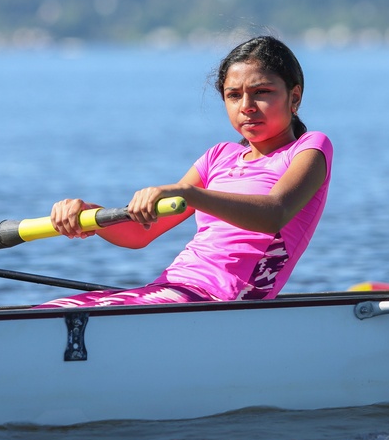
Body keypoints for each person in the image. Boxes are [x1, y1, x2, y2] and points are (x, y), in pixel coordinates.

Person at [35, 35, 333, 307]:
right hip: (175, 289)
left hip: (227, 298)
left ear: (294, 97)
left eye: (262, 92)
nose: (247, 106)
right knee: (52, 309)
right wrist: (90, 215)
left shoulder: (309, 149)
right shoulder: (219, 156)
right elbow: (140, 232)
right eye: (233, 95)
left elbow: (275, 214)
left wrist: (190, 194)